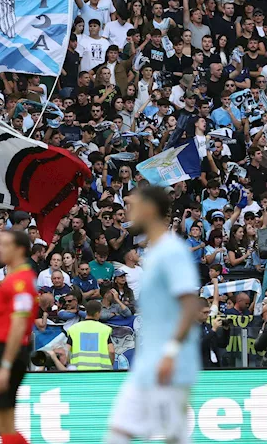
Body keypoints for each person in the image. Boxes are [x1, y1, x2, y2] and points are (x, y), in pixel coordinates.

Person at [105, 185, 200, 444]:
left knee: (169, 437)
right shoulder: (154, 253)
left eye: (132, 206)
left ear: (148, 209)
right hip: (151, 362)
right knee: (120, 431)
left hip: (168, 364)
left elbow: (190, 304)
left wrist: (170, 353)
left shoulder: (171, 251)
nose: (128, 212)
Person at [0, 228, 37, 444]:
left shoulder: (22, 281)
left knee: (3, 423)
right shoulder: (15, 278)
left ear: (20, 250)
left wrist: (5, 365)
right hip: (1, 349)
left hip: (9, 351)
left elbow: (19, 324)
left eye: (5, 244)